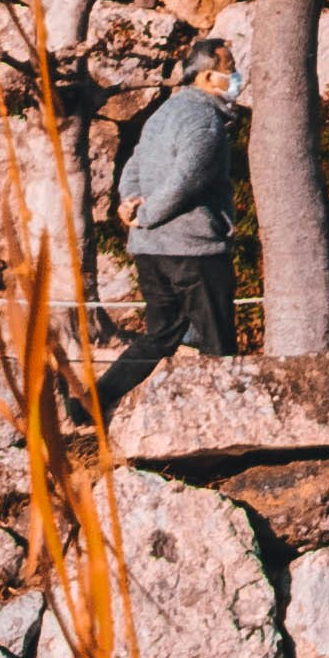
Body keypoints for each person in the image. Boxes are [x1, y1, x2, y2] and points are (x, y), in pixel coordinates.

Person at [94, 39, 244, 409]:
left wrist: (130, 205)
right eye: (231, 67)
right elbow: (187, 179)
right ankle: (224, 424)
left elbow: (133, 165)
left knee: (160, 337)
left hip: (149, 250)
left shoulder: (161, 114)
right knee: (218, 344)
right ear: (209, 76)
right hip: (194, 250)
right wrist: (147, 213)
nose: (236, 75)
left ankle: (91, 403)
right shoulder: (205, 119)